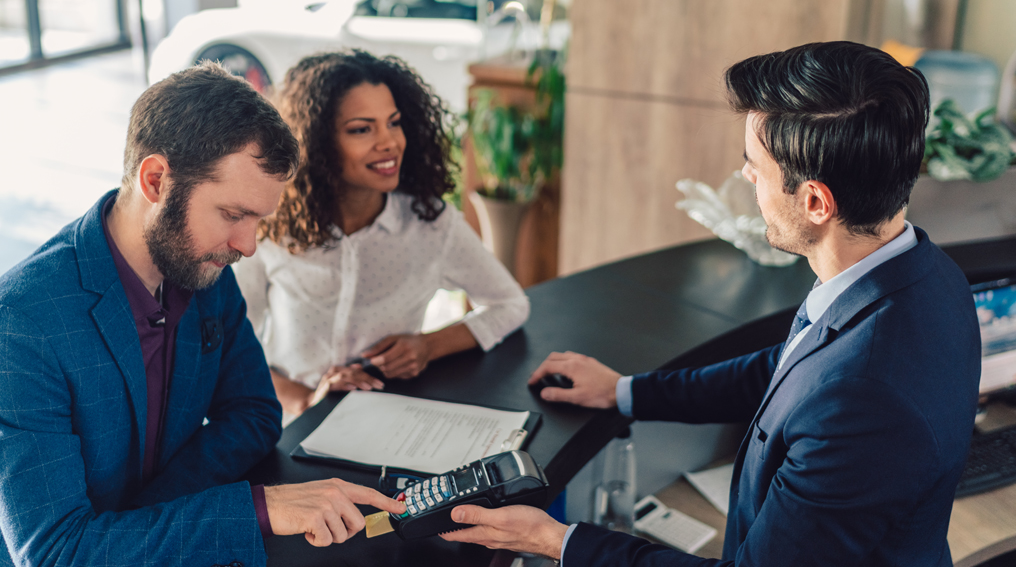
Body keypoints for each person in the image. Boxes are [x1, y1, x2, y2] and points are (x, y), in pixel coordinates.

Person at [442, 41, 982, 566]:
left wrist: (559, 542)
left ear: (816, 202)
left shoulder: (865, 397)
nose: (747, 176)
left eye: (755, 165)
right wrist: (626, 393)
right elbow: (791, 370)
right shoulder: (924, 275)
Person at [0, 63, 404, 567]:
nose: (248, 246)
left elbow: (256, 413)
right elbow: (58, 552)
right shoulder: (22, 322)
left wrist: (148, 518)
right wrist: (253, 508)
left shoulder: (205, 265)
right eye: (234, 215)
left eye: (258, 220)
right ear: (155, 181)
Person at [233, 50, 530, 417]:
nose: (389, 142)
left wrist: (427, 346)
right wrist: (305, 400)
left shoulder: (431, 223)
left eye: (394, 123)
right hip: (287, 422)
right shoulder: (270, 223)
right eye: (362, 129)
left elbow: (510, 305)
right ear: (316, 142)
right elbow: (232, 349)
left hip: (384, 421)